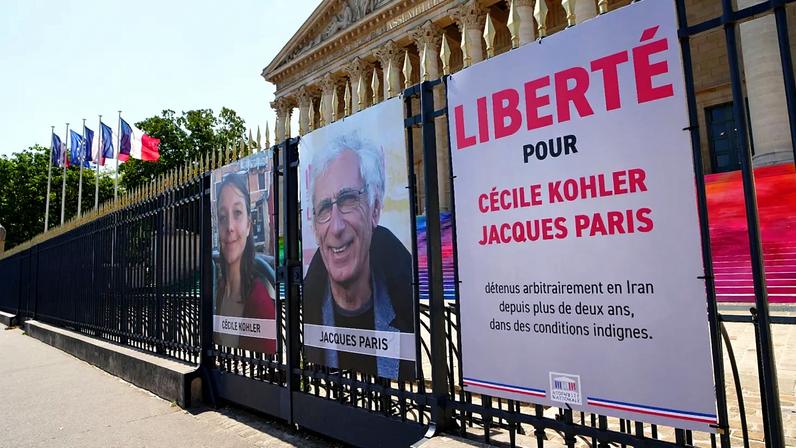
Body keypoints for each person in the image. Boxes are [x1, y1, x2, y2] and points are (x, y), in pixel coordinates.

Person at [303, 133, 414, 380]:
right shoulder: (310, 312)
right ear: (314, 228)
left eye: (348, 199)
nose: (336, 227)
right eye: (323, 209)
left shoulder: (408, 309)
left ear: (375, 208)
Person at [215, 172, 277, 354]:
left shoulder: (259, 300)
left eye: (237, 213)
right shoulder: (220, 290)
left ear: (249, 225)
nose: (229, 227)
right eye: (222, 216)